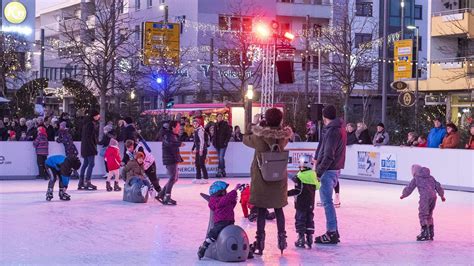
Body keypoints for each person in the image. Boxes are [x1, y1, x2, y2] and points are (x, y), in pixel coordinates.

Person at [243, 107, 293, 255]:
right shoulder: (284, 137)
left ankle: (260, 242)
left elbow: (245, 139)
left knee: (262, 209)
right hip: (278, 178)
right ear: (280, 120)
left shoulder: (259, 137)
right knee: (279, 209)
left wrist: (253, 124)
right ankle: (282, 239)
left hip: (262, 178)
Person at [314, 105, 346, 244]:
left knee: (327, 202)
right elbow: (323, 148)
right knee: (327, 202)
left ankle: (331, 232)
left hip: (328, 170)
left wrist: (319, 172)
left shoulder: (332, 131)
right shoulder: (336, 129)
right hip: (333, 169)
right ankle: (334, 231)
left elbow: (328, 155)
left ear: (324, 117)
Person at [400, 164, 445, 241]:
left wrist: (404, 195)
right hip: (433, 197)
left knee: (423, 214)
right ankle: (431, 233)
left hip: (425, 197)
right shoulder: (431, 177)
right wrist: (442, 196)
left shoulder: (416, 178)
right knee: (429, 214)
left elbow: (409, 188)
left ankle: (424, 233)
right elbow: (438, 186)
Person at [197, 181, 240, 260]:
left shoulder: (224, 199)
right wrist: (234, 190)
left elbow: (230, 206)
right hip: (221, 222)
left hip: (230, 221)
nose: (226, 193)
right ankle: (204, 246)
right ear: (219, 192)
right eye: (224, 191)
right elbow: (224, 200)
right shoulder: (216, 200)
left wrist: (234, 200)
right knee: (214, 233)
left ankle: (240, 250)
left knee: (234, 234)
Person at [288, 154, 320, 249]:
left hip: (301, 204)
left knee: (300, 220)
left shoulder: (300, 175)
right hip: (310, 204)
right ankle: (309, 238)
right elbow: (318, 186)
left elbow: (297, 190)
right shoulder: (313, 174)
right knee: (309, 219)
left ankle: (301, 238)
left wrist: (285, 194)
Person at [157, 121, 183, 205]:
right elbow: (170, 144)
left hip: (172, 158)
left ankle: (161, 194)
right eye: (178, 126)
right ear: (173, 127)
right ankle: (167, 197)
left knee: (174, 178)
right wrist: (179, 144)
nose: (179, 128)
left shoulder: (172, 135)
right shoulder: (168, 135)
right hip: (170, 159)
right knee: (173, 178)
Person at [79, 110, 100, 190]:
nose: (98, 117)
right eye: (97, 115)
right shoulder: (91, 124)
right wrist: (93, 148)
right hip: (89, 147)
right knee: (91, 164)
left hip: (85, 147)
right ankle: (87, 181)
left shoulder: (86, 124)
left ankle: (81, 182)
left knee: (85, 163)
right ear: (94, 116)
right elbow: (90, 138)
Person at [192, 117, 209, 184]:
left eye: (196, 123)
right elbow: (196, 141)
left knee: (201, 164)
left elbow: (202, 141)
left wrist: (201, 150)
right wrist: (193, 148)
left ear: (198, 124)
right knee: (197, 164)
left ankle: (205, 178)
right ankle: (198, 178)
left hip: (202, 149)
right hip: (198, 149)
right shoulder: (196, 130)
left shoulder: (200, 130)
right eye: (194, 123)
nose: (195, 124)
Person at [214, 113, 232, 177]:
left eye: (221, 116)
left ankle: (219, 170)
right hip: (217, 144)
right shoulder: (215, 125)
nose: (220, 117)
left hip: (223, 144)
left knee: (221, 157)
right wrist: (214, 142)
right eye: (219, 116)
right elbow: (214, 134)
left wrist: (225, 142)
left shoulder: (225, 124)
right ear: (216, 118)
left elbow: (229, 134)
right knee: (220, 158)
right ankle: (223, 170)